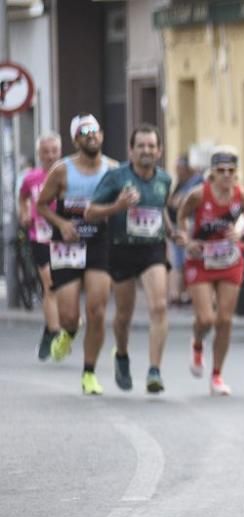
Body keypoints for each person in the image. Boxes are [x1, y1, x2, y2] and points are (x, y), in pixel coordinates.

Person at [85, 124, 179, 394]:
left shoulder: (164, 180)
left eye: (151, 146)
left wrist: (172, 233)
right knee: (124, 315)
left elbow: (160, 210)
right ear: (131, 150)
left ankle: (154, 370)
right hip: (121, 249)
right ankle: (122, 355)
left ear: (159, 151)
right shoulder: (116, 177)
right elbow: (90, 212)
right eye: (141, 146)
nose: (146, 151)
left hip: (152, 249)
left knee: (159, 307)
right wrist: (118, 207)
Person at [36, 114, 116, 395]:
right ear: (76, 139)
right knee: (69, 316)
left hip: (98, 243)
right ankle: (67, 333)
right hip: (67, 244)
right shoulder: (61, 170)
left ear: (102, 136)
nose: (91, 136)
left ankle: (89, 372)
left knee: (97, 310)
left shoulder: (112, 169)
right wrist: (61, 224)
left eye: (95, 131)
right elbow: (42, 204)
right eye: (85, 132)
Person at [176, 146, 244, 396]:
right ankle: (198, 343)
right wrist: (186, 240)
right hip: (201, 260)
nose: (226, 176)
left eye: (231, 171)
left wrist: (243, 234)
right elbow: (180, 217)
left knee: (224, 321)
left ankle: (216, 375)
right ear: (212, 173)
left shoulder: (242, 196)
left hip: (229, 260)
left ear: (236, 174)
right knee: (206, 319)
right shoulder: (198, 195)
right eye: (221, 171)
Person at [17, 132, 62, 360]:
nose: (50, 156)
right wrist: (24, 213)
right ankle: (55, 333)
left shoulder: (68, 175)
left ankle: (49, 329)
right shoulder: (31, 178)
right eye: (45, 152)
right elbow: (23, 196)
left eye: (54, 151)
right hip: (40, 236)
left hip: (64, 238)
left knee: (63, 286)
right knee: (50, 284)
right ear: (39, 154)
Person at [166, 153, 203, 305]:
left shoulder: (196, 181)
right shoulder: (180, 183)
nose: (177, 170)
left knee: (184, 260)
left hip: (189, 225)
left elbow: (180, 202)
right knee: (179, 260)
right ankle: (177, 294)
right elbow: (172, 202)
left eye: (180, 167)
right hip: (177, 225)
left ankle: (183, 293)